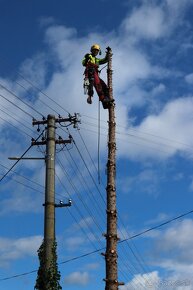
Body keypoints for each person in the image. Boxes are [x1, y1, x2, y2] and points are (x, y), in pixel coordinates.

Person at [82, 44, 112, 109]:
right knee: (98, 85)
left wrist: (108, 53)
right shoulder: (88, 56)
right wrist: (87, 58)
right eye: (94, 50)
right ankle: (103, 100)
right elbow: (83, 63)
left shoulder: (97, 60)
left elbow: (104, 60)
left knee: (104, 86)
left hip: (95, 73)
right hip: (90, 72)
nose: (96, 52)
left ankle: (106, 100)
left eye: (97, 51)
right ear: (92, 51)